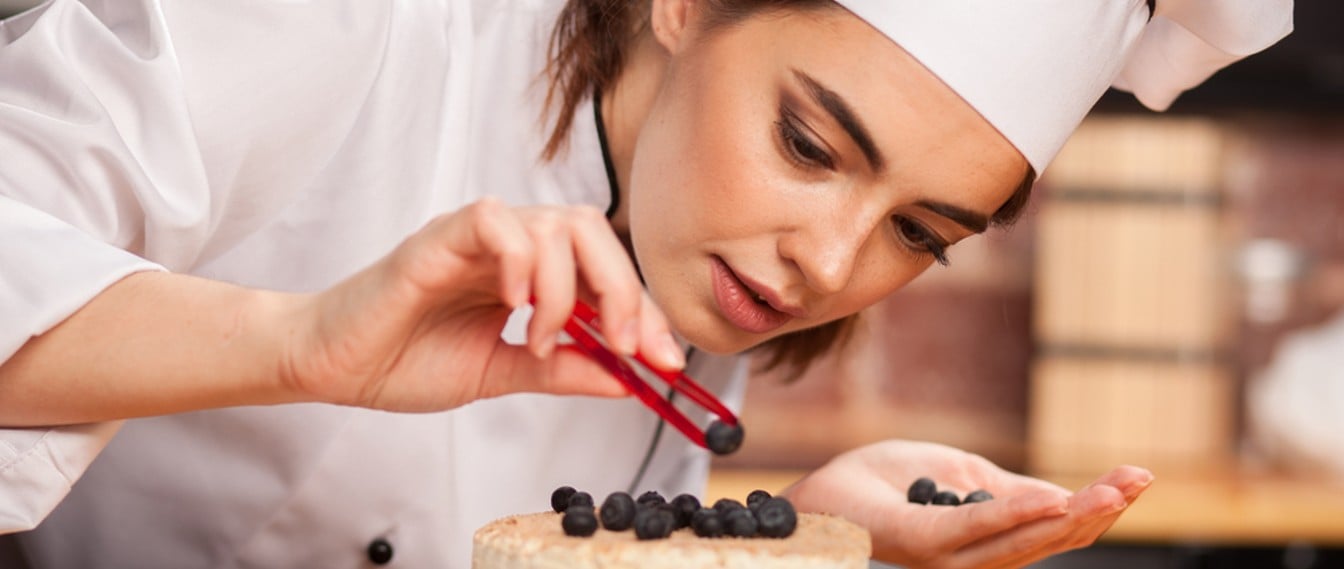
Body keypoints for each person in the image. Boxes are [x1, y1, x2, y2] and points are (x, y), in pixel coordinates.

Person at [0, 0, 1290, 567]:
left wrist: (792, 534)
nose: (831, 264)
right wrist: (305, 344)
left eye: (920, 233)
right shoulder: (357, 24)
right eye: (808, 145)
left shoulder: (698, 247)